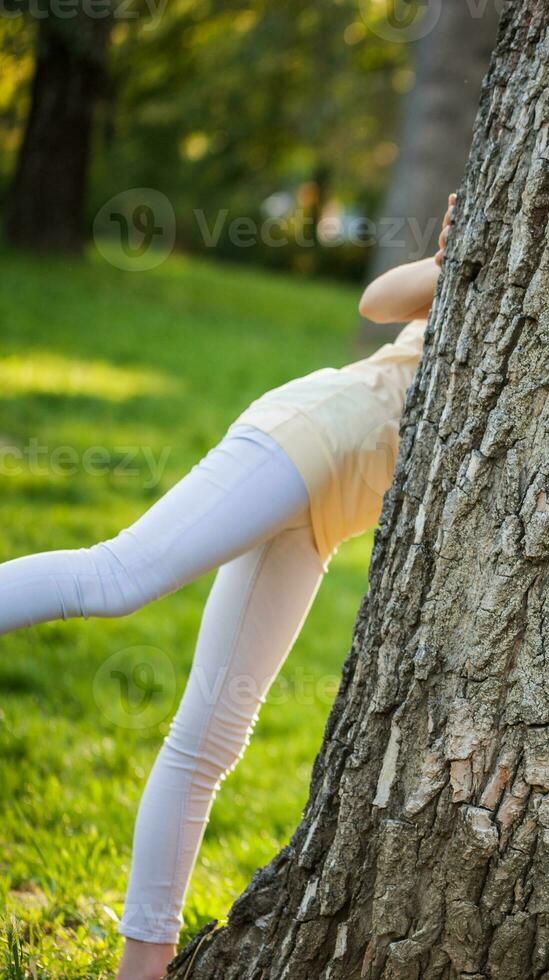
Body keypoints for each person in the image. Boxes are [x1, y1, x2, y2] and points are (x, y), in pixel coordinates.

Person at [0, 193, 457, 980]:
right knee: (119, 577)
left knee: (209, 744)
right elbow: (376, 300)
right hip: (311, 435)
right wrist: (454, 252)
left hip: (324, 516)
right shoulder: (485, 258)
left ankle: (142, 969)